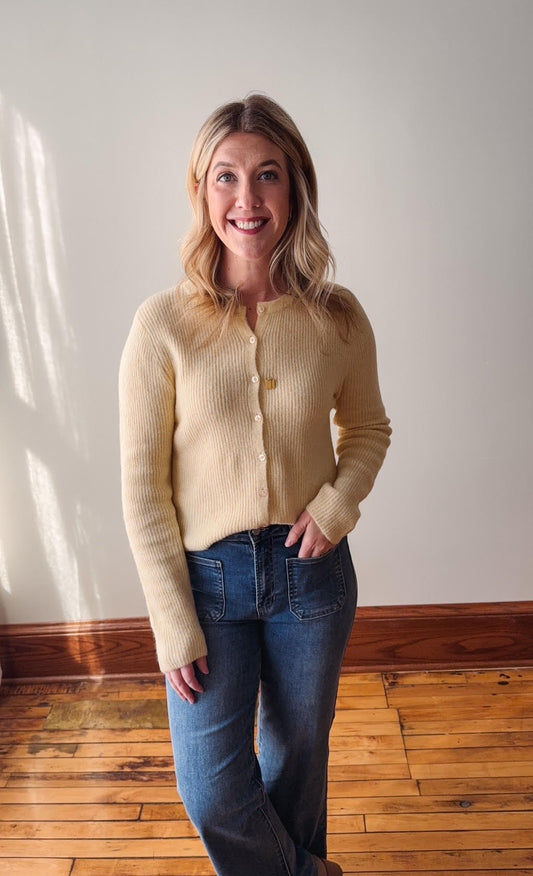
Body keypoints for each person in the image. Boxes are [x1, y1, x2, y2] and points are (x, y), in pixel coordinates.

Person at [119, 94, 391, 876]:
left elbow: (367, 430)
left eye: (267, 174)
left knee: (296, 767)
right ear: (201, 191)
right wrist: (171, 620)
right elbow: (142, 490)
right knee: (210, 789)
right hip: (206, 585)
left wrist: (335, 507)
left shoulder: (337, 317)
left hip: (312, 576)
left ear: (294, 186)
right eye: (226, 176)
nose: (247, 198)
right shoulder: (162, 324)